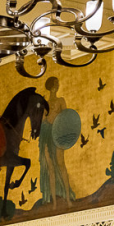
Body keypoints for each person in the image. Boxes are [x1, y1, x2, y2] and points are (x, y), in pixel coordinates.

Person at [38, 76, 75, 206]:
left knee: (60, 164)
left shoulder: (60, 100)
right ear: (52, 86)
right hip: (46, 134)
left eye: (58, 83)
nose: (58, 85)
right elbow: (42, 121)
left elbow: (66, 117)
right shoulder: (45, 103)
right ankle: (54, 202)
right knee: (50, 169)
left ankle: (68, 198)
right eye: (56, 83)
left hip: (57, 133)